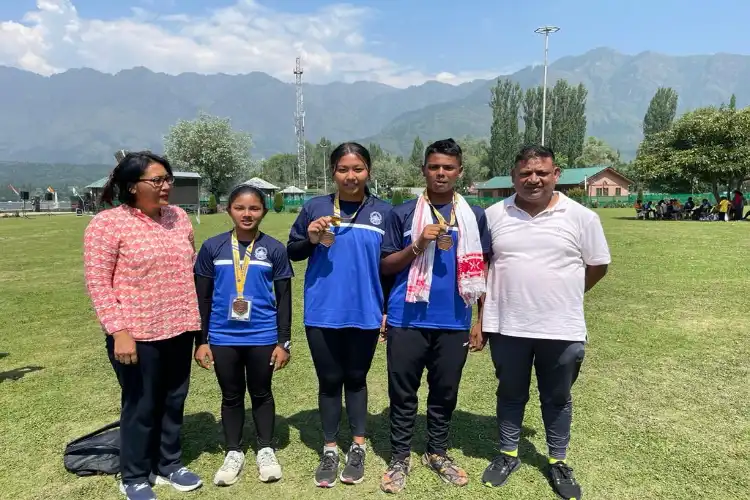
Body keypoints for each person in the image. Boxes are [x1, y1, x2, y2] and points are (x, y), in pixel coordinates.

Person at [477, 145, 610, 500]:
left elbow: (598, 265)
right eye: (525, 174)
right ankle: (507, 454)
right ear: (513, 176)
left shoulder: (582, 217)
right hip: (507, 325)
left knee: (557, 397)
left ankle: (558, 460)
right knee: (510, 393)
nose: (533, 179)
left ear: (556, 174)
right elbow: (483, 267)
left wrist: (565, 294)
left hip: (560, 327)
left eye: (541, 173)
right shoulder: (492, 215)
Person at [83, 151, 203, 500]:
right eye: (158, 180)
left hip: (179, 327)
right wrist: (119, 331)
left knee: (174, 400)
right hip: (136, 334)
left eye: (168, 180)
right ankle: (134, 473)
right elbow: (98, 283)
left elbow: (189, 266)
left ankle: (169, 463)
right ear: (132, 186)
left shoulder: (178, 218)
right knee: (140, 404)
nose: (166, 186)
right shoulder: (107, 224)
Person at [379, 138, 491, 494]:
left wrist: (480, 320)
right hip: (407, 318)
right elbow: (385, 266)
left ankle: (437, 452)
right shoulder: (402, 213)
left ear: (460, 172)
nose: (441, 173)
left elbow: (484, 270)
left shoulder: (474, 215)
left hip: (454, 320)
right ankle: (399, 456)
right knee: (403, 392)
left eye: (448, 168)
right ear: (423, 170)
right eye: (434, 167)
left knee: (444, 392)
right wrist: (419, 244)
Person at [287, 142, 392, 487]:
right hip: (323, 313)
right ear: (332, 172)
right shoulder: (314, 207)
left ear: (369, 171)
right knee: (330, 382)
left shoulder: (383, 212)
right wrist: (313, 237)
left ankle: (358, 446)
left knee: (357, 379)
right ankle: (330, 448)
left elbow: (389, 267)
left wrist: (388, 309)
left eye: (358, 169)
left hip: (366, 312)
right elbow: (294, 251)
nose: (351, 176)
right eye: (343, 169)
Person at [193, 184, 293, 487]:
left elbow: (284, 297)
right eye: (240, 207)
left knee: (262, 393)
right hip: (223, 337)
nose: (247, 214)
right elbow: (203, 298)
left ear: (263, 211)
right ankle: (234, 451)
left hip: (262, 335)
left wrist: (283, 341)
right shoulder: (213, 247)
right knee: (231, 395)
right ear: (229, 209)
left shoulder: (274, 249)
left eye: (254, 208)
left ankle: (265, 449)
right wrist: (202, 341)